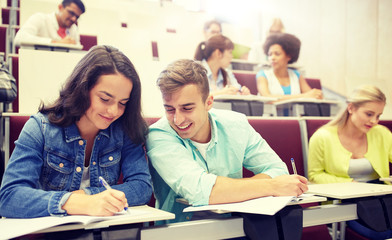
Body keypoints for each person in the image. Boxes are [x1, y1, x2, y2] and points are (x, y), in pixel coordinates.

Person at [146, 59, 308, 224]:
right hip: (182, 231)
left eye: (187, 108)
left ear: (208, 102)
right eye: (169, 109)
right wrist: (272, 186)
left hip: (235, 227)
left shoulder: (236, 124)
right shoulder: (158, 134)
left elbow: (278, 169)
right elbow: (201, 191)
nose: (178, 119)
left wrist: (228, 188)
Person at [0, 45, 152, 218]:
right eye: (105, 99)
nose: (113, 111)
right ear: (82, 90)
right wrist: (75, 202)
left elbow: (142, 187)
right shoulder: (40, 128)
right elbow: (9, 197)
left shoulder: (124, 128)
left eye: (123, 103)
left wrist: (86, 195)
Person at [308, 85, 392, 239]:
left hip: (381, 197)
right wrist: (350, 183)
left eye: (378, 116)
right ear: (351, 108)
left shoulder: (382, 133)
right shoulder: (322, 137)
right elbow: (314, 175)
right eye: (369, 114)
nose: (374, 121)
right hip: (344, 200)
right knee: (380, 233)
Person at [256, 33, 323, 100]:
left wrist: (317, 95)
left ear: (289, 56)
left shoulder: (296, 75)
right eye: (270, 54)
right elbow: (267, 98)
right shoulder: (262, 75)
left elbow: (311, 96)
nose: (272, 58)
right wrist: (303, 96)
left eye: (277, 54)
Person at [14, 0, 86, 46]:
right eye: (71, 13)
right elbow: (19, 39)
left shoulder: (74, 29)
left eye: (77, 17)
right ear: (60, 7)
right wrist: (55, 43)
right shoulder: (40, 18)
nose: (74, 19)